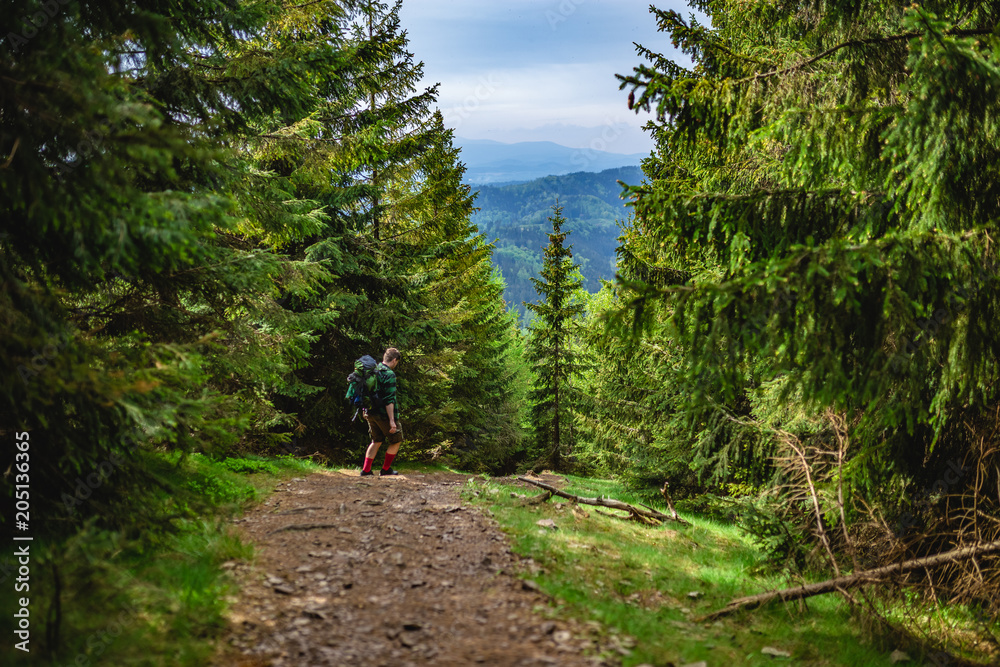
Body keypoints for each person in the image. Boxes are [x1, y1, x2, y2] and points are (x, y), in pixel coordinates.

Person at [360, 347, 402, 477]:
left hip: (370, 413)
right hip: (383, 414)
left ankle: (366, 470)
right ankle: (385, 469)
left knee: (376, 440)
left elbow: (365, 392)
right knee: (396, 440)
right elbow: (389, 400)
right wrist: (392, 421)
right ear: (394, 360)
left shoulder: (372, 371)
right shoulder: (389, 374)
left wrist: (363, 409)